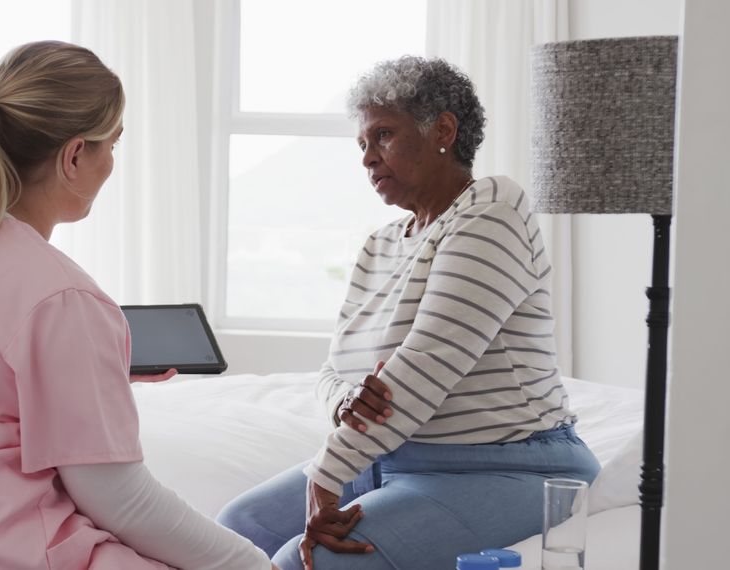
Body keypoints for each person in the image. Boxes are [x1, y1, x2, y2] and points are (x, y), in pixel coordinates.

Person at [217, 56, 600, 570]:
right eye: (362, 144)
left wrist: (326, 474)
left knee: (310, 563)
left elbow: (425, 367)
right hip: (390, 456)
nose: (368, 158)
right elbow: (335, 368)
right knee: (235, 531)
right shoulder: (380, 245)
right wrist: (346, 401)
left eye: (384, 136)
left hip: (508, 464)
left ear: (443, 130)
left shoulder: (493, 212)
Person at [0, 40, 275, 570]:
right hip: (23, 548)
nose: (112, 162)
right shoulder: (60, 294)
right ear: (74, 156)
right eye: (114, 143)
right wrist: (251, 564)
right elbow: (119, 498)